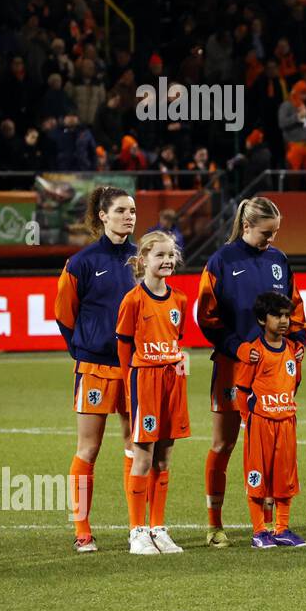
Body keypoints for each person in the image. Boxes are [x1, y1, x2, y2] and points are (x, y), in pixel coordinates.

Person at [196, 197, 306, 547]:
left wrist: (297, 341)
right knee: (224, 442)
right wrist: (237, 348)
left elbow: (294, 306)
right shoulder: (221, 261)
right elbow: (207, 317)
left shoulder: (278, 261)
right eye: (266, 233)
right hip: (233, 367)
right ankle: (215, 525)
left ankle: (272, 528)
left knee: (275, 447)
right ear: (246, 226)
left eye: (275, 233)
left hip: (274, 370)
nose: (271, 239)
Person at [57, 186, 137, 553]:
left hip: (136, 367)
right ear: (103, 216)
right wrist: (82, 348)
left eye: (132, 210)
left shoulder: (143, 258)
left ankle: (138, 528)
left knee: (135, 447)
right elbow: (64, 313)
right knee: (88, 448)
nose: (129, 216)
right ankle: (82, 530)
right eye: (121, 210)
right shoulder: (82, 262)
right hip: (95, 368)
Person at [115, 231, 190, 554]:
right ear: (144, 259)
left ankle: (158, 528)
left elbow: (177, 339)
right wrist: (129, 388)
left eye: (171, 255)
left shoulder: (180, 300)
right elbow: (123, 349)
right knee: (143, 456)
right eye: (160, 255)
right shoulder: (133, 300)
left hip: (173, 379)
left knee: (164, 456)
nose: (167, 261)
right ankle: (137, 531)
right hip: (143, 380)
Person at [236, 292, 306, 548]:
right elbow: (241, 390)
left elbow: (294, 382)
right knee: (258, 477)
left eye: (287, 315)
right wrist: (249, 419)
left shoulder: (292, 350)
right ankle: (259, 531)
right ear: (262, 320)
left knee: (285, 478)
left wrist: (282, 406)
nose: (284, 320)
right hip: (261, 424)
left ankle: (282, 529)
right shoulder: (253, 352)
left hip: (286, 421)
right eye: (277, 315)